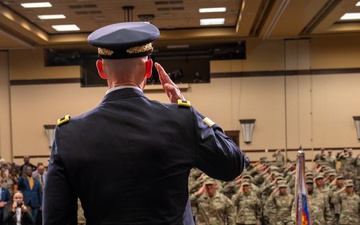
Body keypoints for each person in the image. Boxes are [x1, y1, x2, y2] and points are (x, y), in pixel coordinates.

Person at [43, 22, 244, 225]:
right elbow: (232, 164)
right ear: (149, 68)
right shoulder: (180, 120)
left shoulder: (69, 133)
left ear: (100, 70)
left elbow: (56, 218)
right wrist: (189, 110)